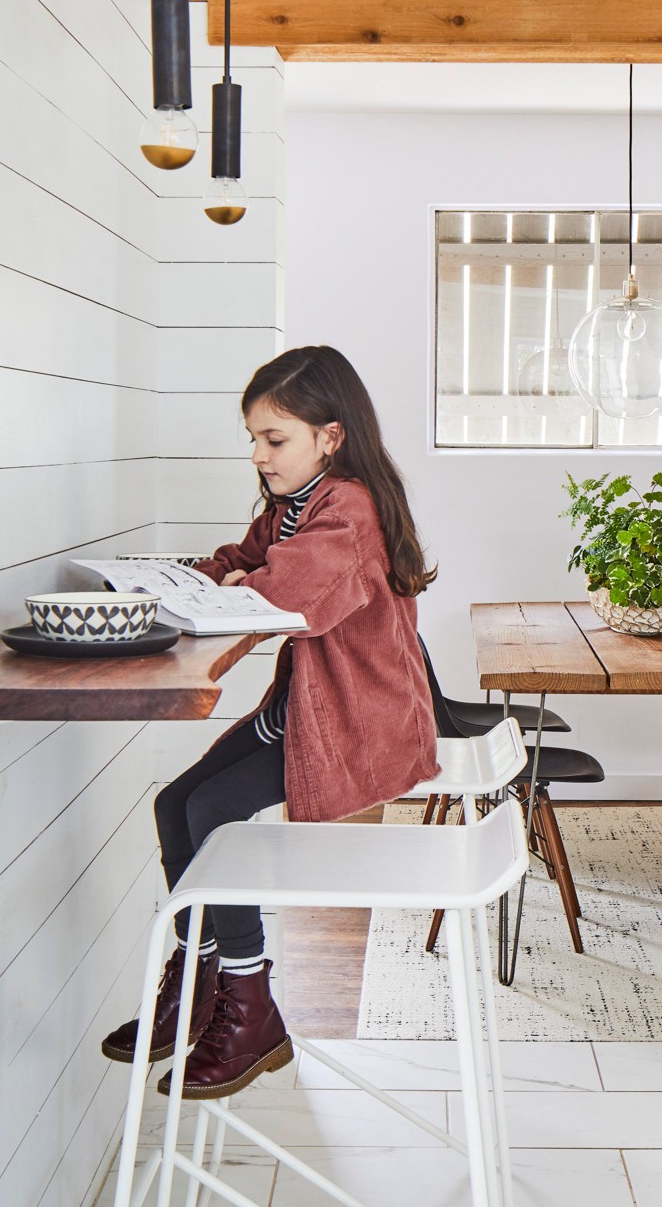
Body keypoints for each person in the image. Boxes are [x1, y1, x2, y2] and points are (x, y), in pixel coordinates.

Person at [101, 345, 438, 1100]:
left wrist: (233, 581)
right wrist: (187, 574)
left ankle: (252, 1006)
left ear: (330, 435)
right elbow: (246, 557)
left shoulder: (347, 509)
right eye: (253, 438)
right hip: (304, 707)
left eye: (273, 438)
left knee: (214, 810)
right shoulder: (297, 502)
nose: (258, 455)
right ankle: (197, 981)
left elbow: (278, 587)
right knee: (173, 803)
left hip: (351, 720)